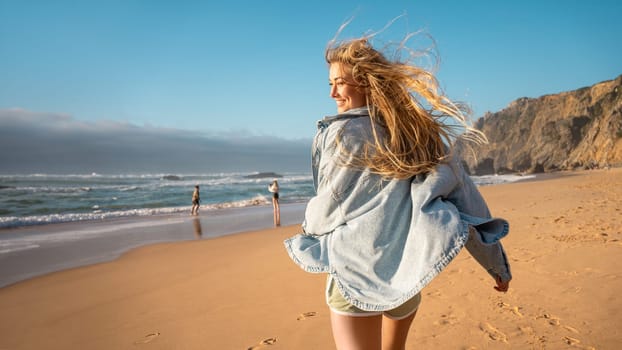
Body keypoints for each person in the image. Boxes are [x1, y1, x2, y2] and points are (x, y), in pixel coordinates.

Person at [284, 29, 512, 350]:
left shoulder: (339, 134)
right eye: (330, 84)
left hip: (356, 274)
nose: (333, 93)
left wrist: (309, 234)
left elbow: (330, 203)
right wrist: (495, 264)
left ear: (365, 81)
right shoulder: (415, 132)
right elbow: (466, 199)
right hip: (405, 275)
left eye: (340, 82)